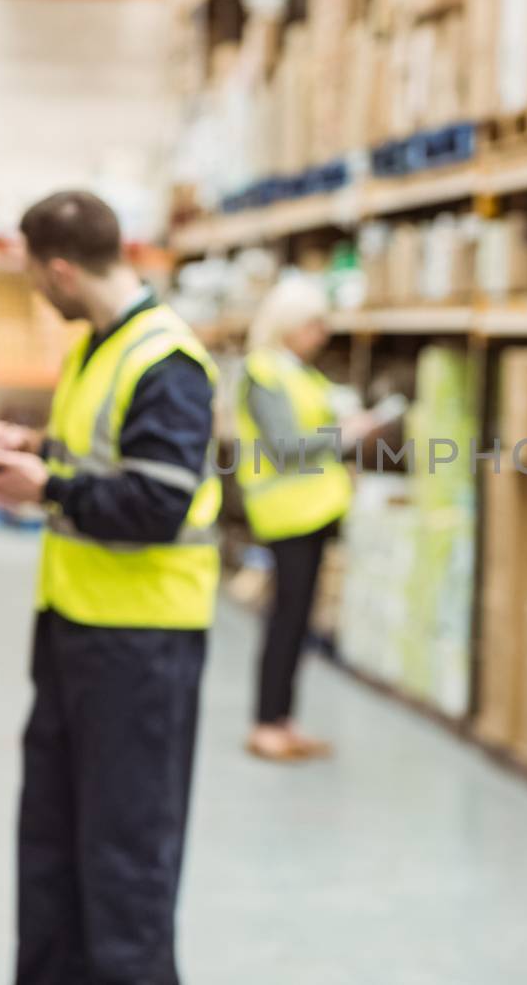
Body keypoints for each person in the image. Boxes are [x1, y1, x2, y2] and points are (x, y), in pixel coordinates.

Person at [0, 190, 219, 985]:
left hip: (141, 648)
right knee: (52, 845)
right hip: (74, 629)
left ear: (60, 270)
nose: (40, 297)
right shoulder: (95, 348)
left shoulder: (167, 361)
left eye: (37, 281)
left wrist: (46, 485)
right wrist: (40, 450)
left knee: (124, 866)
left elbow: (156, 501)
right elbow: (102, 459)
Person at [234, 278, 375, 762]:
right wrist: (344, 435)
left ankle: (282, 720)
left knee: (297, 623)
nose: (322, 333)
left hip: (314, 511)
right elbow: (286, 446)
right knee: (284, 620)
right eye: (314, 324)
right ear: (288, 324)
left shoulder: (300, 373)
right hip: (287, 513)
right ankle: (266, 722)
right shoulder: (263, 373)